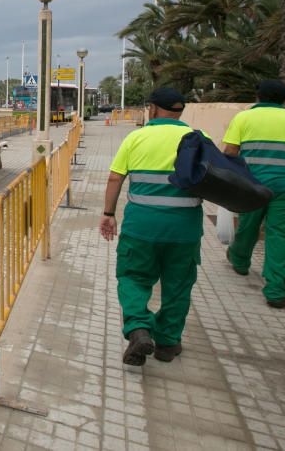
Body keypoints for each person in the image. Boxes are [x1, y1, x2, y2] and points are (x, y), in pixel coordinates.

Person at [100, 88, 203, 366]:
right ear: (180, 111)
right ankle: (168, 344)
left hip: (141, 227)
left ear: (153, 110)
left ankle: (139, 329)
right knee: (178, 286)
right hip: (185, 230)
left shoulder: (137, 137)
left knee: (134, 277)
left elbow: (114, 178)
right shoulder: (196, 139)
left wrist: (108, 213)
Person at [222, 79, 285, 308]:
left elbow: (230, 151)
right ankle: (277, 290)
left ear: (258, 96)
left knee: (248, 225)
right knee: (281, 235)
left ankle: (240, 260)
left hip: (253, 186)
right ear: (284, 98)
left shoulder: (244, 117)